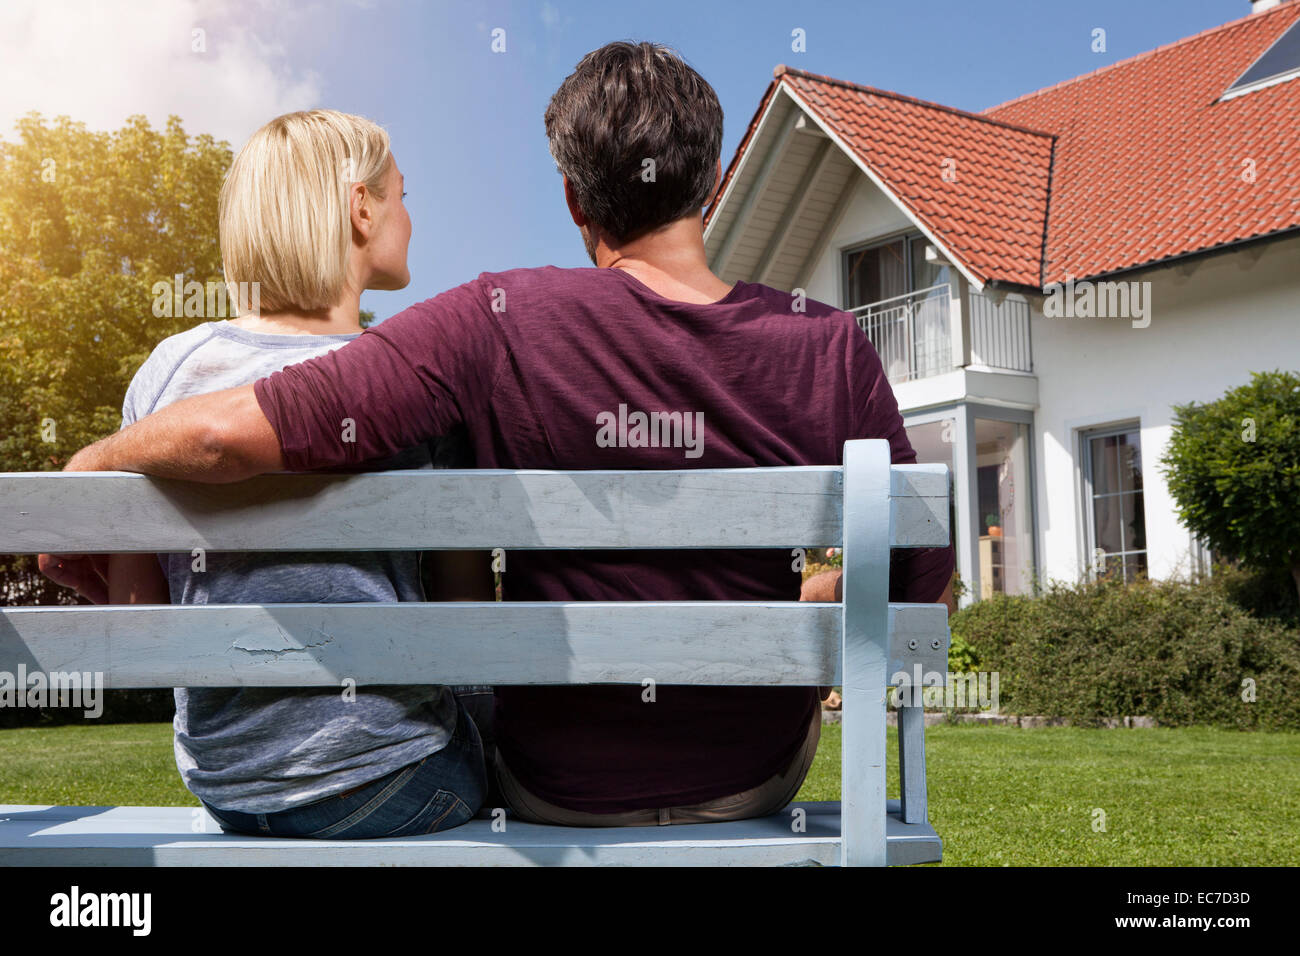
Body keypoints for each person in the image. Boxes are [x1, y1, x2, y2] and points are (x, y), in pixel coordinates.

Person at [42, 42, 954, 827]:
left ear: (571, 198)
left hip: (558, 783)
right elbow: (920, 587)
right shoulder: (827, 344)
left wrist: (92, 471)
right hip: (756, 777)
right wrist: (795, 602)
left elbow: (229, 440)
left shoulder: (498, 317)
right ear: (711, 180)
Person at [55, 109, 490, 838]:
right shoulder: (408, 384)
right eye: (403, 197)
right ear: (360, 209)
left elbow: (138, 616)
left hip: (230, 788)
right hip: (392, 779)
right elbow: (467, 626)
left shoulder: (167, 375)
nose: (411, 218)